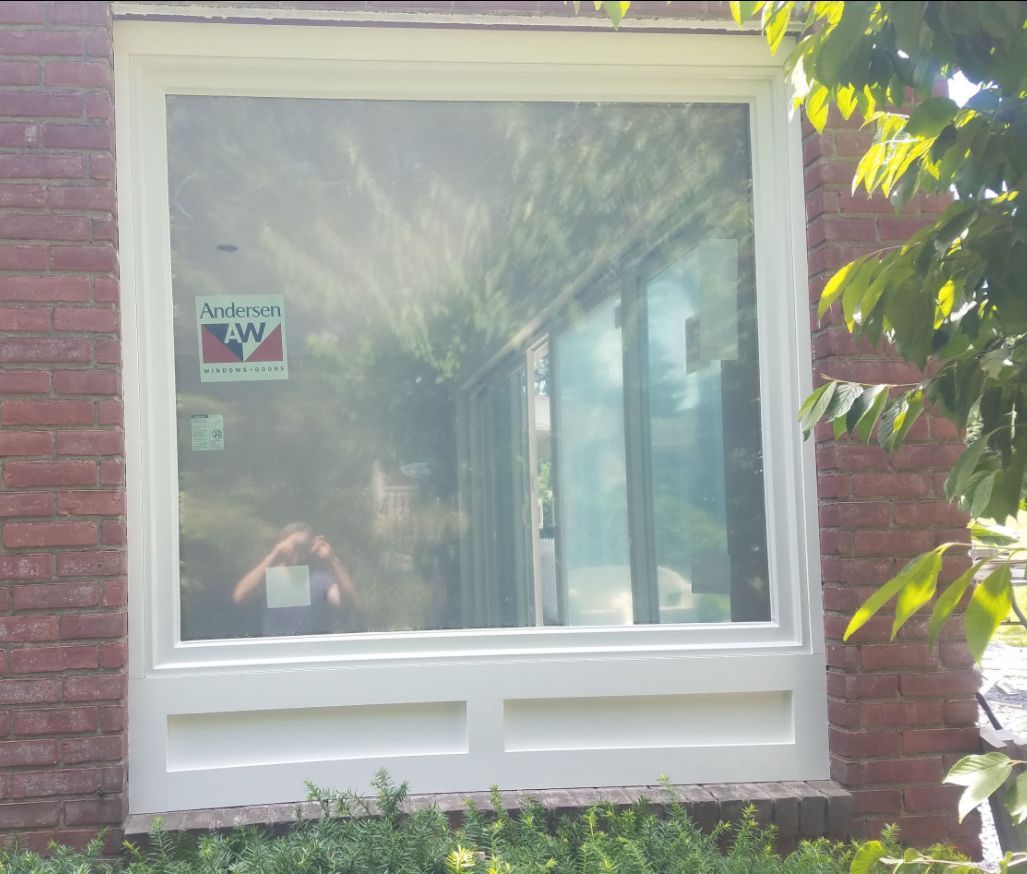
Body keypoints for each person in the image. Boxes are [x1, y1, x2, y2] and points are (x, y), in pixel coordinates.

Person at [232, 522, 359, 636]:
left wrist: (332, 560)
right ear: (281, 545)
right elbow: (240, 597)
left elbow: (349, 604)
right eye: (293, 545)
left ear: (311, 548)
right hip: (274, 653)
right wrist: (274, 555)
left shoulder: (320, 580)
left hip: (309, 654)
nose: (298, 551)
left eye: (303, 546)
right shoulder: (268, 577)